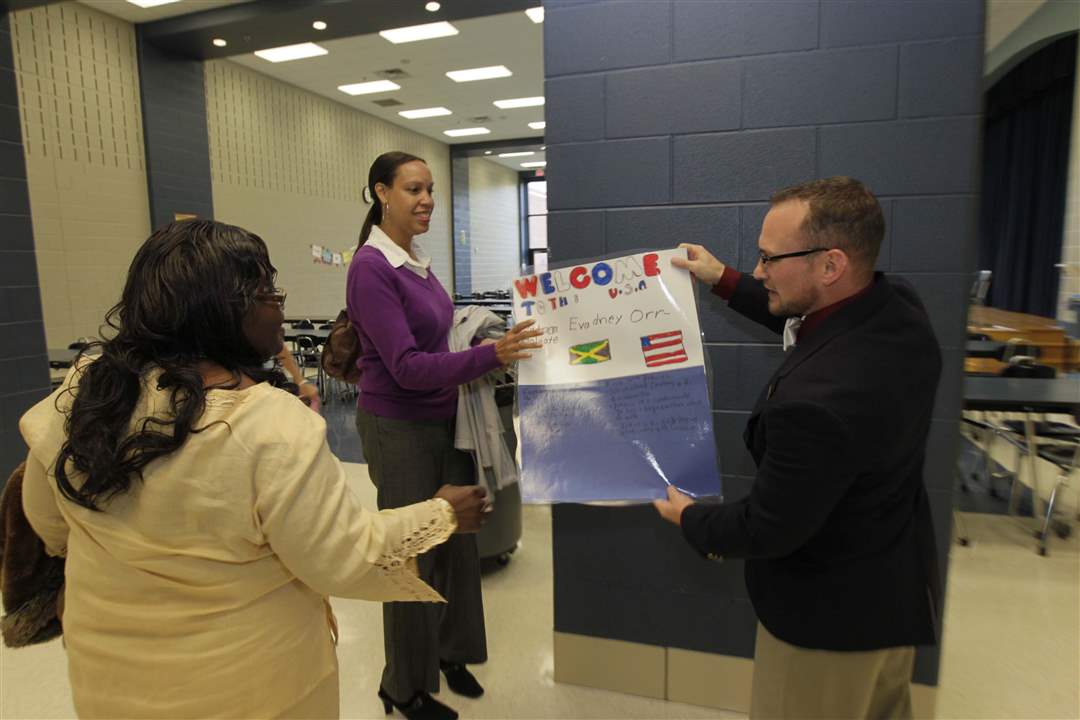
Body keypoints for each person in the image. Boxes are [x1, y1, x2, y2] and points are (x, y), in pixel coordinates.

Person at [19, 220, 489, 719]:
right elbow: (344, 558)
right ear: (229, 308)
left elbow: (46, 519)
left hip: (109, 680)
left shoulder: (88, 394)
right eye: (269, 290)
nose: (280, 305)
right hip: (246, 687)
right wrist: (441, 515)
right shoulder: (267, 426)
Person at [654, 177, 943, 720]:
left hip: (825, 624)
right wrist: (723, 280)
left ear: (830, 264)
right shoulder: (897, 307)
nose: (759, 271)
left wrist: (692, 519)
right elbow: (810, 317)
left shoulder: (816, 404)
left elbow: (769, 527)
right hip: (892, 593)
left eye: (768, 259)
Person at [347, 151, 542, 720]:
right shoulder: (371, 267)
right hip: (399, 426)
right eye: (413, 189)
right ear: (381, 193)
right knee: (410, 557)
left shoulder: (416, 261)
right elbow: (405, 366)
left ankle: (451, 653)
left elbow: (437, 342)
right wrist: (488, 355)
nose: (427, 199)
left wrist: (481, 346)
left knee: (458, 540)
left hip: (443, 415)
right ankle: (403, 687)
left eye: (430, 188)